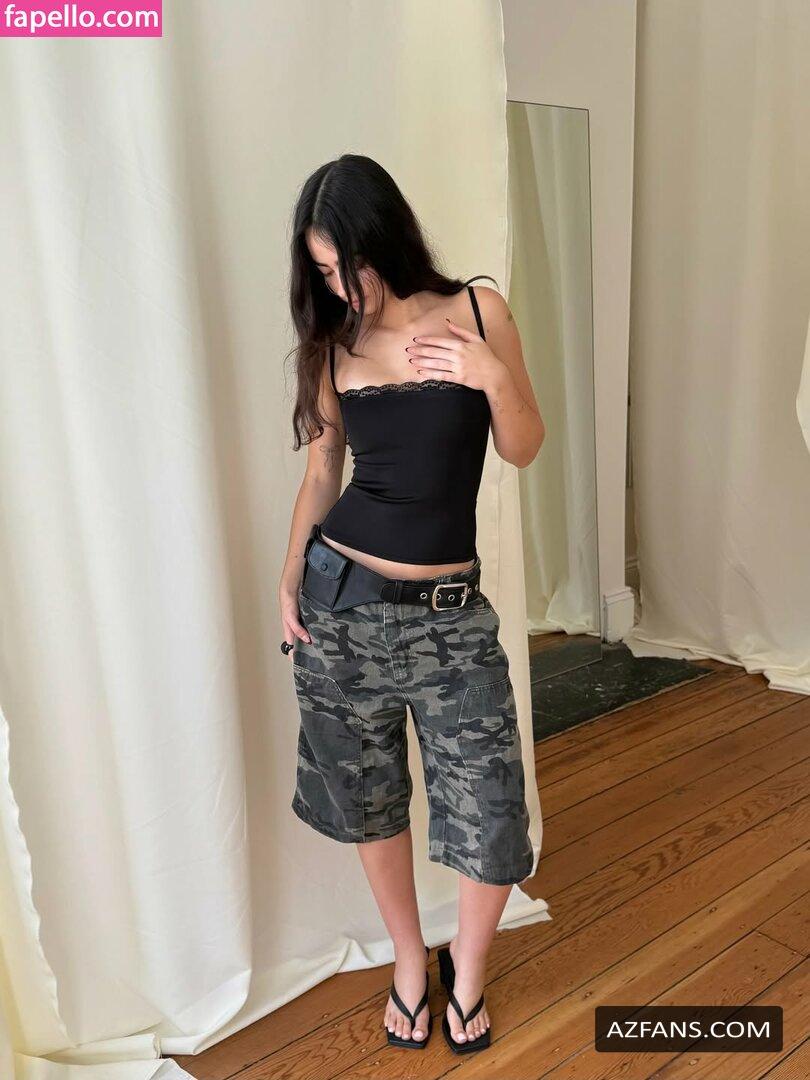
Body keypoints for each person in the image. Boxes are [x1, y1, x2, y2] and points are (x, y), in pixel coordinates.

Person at [278, 154, 545, 1054]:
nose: (340, 287)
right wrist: (288, 576)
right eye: (322, 272)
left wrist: (488, 372)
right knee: (369, 800)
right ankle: (405, 958)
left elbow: (524, 445)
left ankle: (466, 971)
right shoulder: (335, 344)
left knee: (490, 808)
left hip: (449, 617)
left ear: (384, 238)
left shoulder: (477, 309)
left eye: (347, 265)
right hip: (339, 608)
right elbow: (324, 469)